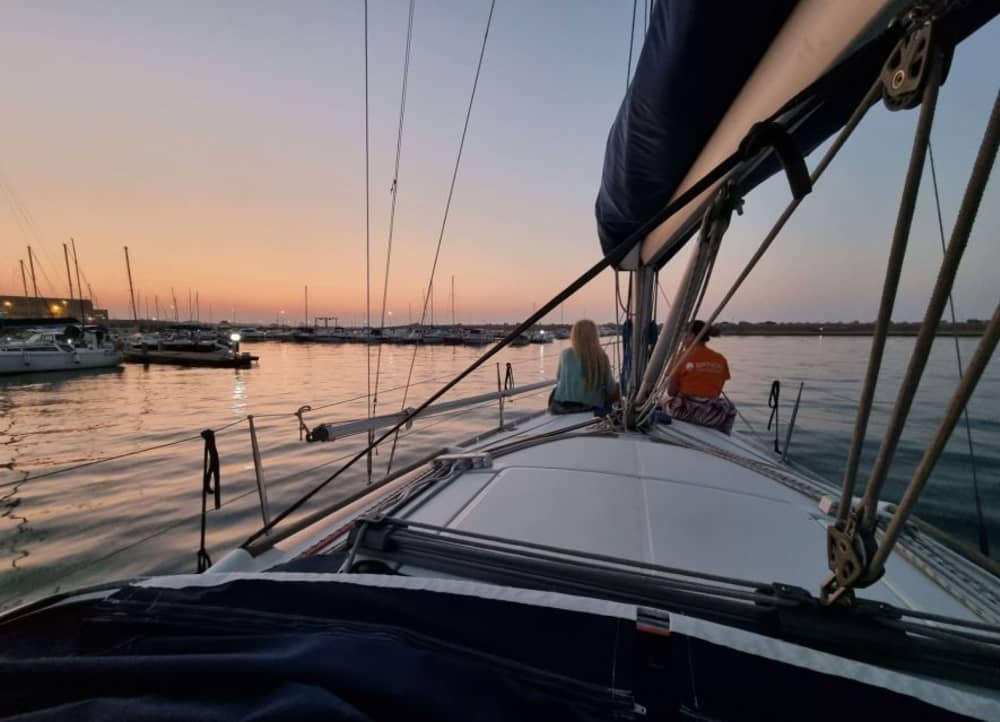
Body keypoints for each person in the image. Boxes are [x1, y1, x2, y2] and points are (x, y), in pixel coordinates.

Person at [665, 320, 736, 434]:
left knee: (662, 401)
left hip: (686, 414)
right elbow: (716, 392)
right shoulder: (720, 359)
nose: (683, 342)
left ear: (692, 336)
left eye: (685, 337)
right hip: (712, 416)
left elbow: (671, 392)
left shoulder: (680, 357)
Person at [549, 319, 620, 414]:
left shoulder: (565, 354)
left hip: (559, 406)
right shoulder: (601, 356)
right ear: (595, 336)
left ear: (574, 335)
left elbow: (558, 378)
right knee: (617, 389)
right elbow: (610, 387)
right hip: (589, 406)